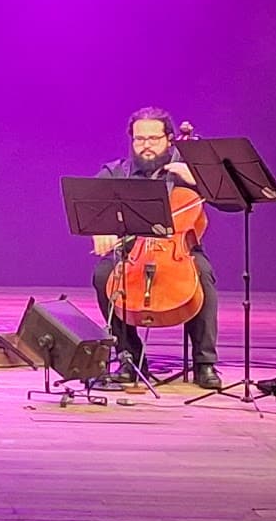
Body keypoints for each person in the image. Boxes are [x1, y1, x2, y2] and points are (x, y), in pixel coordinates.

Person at [90, 107, 221, 389]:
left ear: (170, 139)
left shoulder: (187, 173)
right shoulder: (118, 171)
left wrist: (197, 178)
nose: (146, 145)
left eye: (153, 138)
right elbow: (91, 201)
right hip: (133, 253)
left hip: (181, 252)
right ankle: (130, 358)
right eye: (139, 139)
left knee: (203, 277)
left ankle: (205, 363)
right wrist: (99, 230)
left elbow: (231, 201)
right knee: (104, 276)